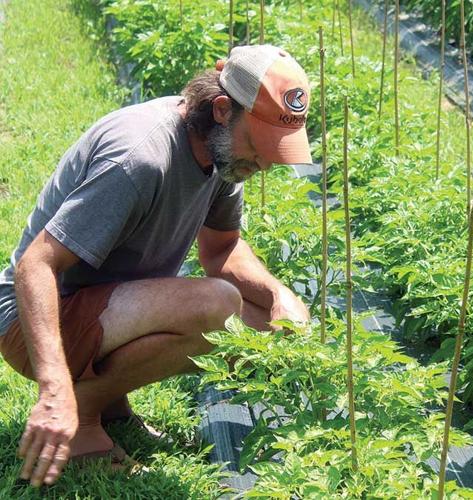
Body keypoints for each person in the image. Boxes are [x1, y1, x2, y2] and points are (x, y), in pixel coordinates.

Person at [0, 44, 313, 487]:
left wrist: (278, 295)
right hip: (33, 320)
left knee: (265, 324)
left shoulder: (222, 154)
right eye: (259, 144)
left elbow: (221, 249)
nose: (264, 162)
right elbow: (36, 265)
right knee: (218, 305)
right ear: (222, 110)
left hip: (103, 313)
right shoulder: (139, 158)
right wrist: (53, 390)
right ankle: (80, 416)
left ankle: (109, 405)